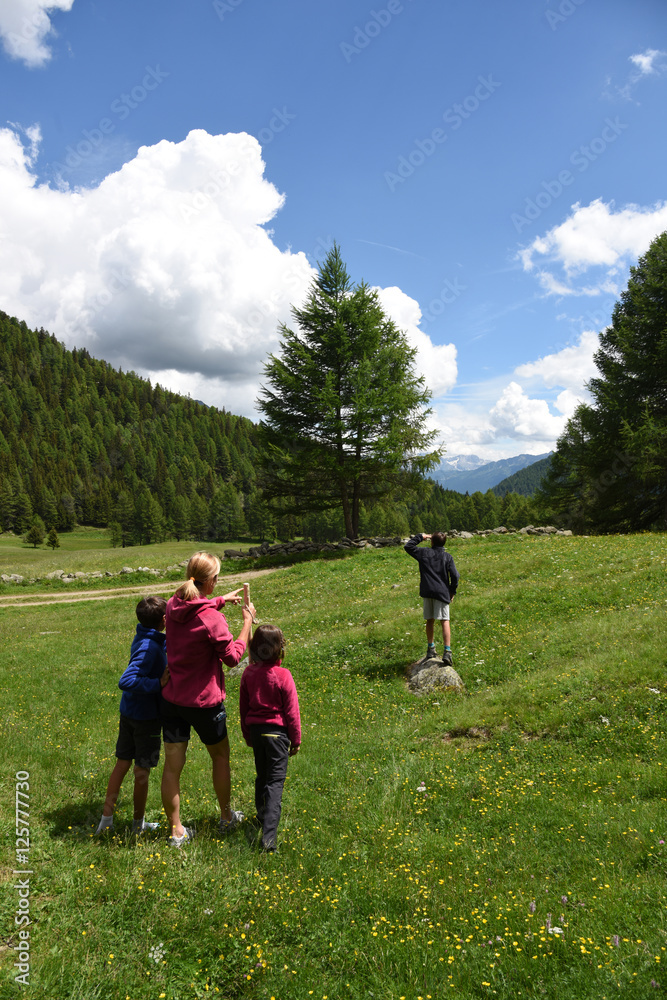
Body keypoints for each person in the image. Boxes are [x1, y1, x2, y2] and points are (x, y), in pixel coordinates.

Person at [161, 551, 255, 847]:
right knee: (220, 757)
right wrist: (247, 623)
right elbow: (232, 657)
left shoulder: (173, 604)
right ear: (210, 581)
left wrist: (220, 599)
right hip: (204, 704)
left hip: (173, 699)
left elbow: (195, 608)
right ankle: (226, 816)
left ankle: (176, 830)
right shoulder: (211, 619)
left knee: (172, 766)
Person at [95, 595, 169, 837]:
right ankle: (138, 826)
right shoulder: (149, 646)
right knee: (142, 771)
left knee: (122, 764)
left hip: (129, 712)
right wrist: (158, 683)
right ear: (164, 620)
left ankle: (106, 821)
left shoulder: (146, 637)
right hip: (145, 718)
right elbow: (126, 680)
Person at [239, 625, 301, 853]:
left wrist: (247, 735)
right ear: (279, 649)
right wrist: (296, 740)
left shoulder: (248, 673)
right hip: (278, 735)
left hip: (257, 732)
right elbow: (292, 711)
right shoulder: (283, 675)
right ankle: (268, 839)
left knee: (262, 776)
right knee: (275, 783)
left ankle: (261, 815)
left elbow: (243, 708)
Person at [404, 531, 459, 664]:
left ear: (431, 541)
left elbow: (408, 546)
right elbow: (455, 576)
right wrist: (452, 591)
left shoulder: (423, 553)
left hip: (427, 591)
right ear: (444, 543)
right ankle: (447, 651)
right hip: (442, 592)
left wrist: (420, 537)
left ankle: (431, 648)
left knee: (430, 620)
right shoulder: (447, 557)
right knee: (444, 620)